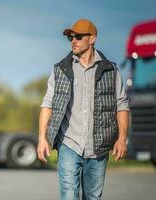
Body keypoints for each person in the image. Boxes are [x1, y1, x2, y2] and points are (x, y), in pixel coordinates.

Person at [37, 19, 129, 200]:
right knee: (69, 196)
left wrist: (122, 138)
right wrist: (42, 138)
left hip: (99, 148)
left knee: (93, 198)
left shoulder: (110, 70)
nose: (73, 40)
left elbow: (122, 105)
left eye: (78, 37)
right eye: (71, 37)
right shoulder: (61, 69)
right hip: (69, 145)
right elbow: (47, 104)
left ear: (92, 39)